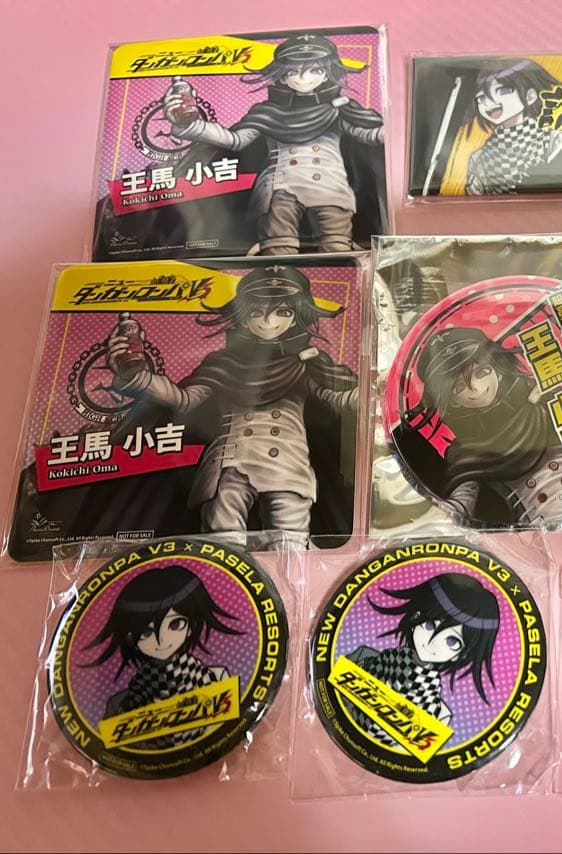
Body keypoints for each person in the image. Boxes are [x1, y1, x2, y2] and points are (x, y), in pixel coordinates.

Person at [106, 265, 358, 544]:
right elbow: (183, 399)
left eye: (283, 312)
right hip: (230, 462)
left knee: (291, 544)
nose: (268, 321)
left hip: (287, 463)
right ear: (243, 316)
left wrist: (375, 394)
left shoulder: (307, 360)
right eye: (256, 312)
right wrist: (134, 375)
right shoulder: (222, 362)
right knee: (222, 540)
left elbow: (339, 398)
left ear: (297, 316)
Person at [403, 324, 562, 525]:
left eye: (481, 373)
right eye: (459, 387)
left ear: (498, 370)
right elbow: (461, 500)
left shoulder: (541, 400)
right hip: (549, 528)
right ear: (452, 400)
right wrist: (438, 518)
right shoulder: (464, 450)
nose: (476, 389)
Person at [165, 33, 385, 254]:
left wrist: (393, 129)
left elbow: (369, 134)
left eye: (315, 70)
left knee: (336, 248)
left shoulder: (340, 108)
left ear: (328, 73)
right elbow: (235, 140)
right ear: (281, 76)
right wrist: (190, 123)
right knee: (277, 248)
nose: (303, 78)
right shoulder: (267, 112)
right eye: (293, 71)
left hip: (330, 187)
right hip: (281, 188)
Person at [83, 565, 242, 745]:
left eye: (175, 624)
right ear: (130, 638)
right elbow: (115, 750)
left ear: (191, 626)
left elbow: (227, 730)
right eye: (146, 632)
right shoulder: (119, 705)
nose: (162, 640)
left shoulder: (218, 679)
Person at [346, 573, 500, 742]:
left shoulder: (437, 715)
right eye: (429, 624)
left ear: (460, 655)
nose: (432, 642)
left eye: (452, 641)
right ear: (415, 617)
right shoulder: (363, 658)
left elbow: (409, 752)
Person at [463, 60, 562, 195]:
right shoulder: (479, 158)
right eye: (481, 98)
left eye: (502, 91)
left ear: (530, 96)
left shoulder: (554, 141)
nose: (489, 103)